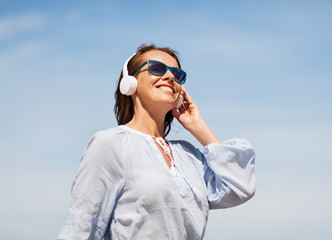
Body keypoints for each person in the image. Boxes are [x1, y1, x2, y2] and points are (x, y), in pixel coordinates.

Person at [57, 44, 256, 240]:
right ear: (130, 83)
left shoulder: (188, 155)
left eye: (177, 75)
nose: (170, 76)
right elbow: (81, 228)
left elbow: (239, 188)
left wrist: (198, 126)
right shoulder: (109, 144)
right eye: (157, 68)